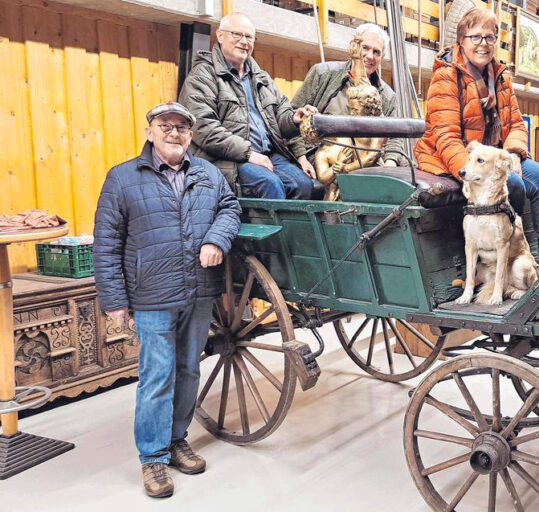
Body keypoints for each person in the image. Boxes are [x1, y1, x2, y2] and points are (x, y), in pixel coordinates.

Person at [93, 102, 241, 497]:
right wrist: (114, 300)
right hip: (152, 294)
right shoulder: (123, 178)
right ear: (150, 131)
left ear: (191, 134)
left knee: (189, 369)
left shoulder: (208, 174)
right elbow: (106, 244)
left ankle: (177, 441)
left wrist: (216, 239)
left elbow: (230, 208)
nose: (174, 133)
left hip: (197, 289)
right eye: (165, 126)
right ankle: (153, 459)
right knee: (158, 377)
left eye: (182, 127)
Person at [414, 8, 539, 268]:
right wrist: (473, 171)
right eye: (475, 37)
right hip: (456, 158)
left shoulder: (500, 76)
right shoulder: (446, 76)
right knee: (514, 185)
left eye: (490, 37)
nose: (483, 44)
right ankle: (505, 261)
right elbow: (446, 138)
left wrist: (515, 153)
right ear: (461, 40)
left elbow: (516, 124)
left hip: (495, 157)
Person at [179, 12, 316, 199]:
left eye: (249, 37)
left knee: (303, 185)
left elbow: (281, 113)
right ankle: (269, 229)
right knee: (269, 184)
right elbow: (204, 128)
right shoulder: (202, 76)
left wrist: (294, 120)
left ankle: (289, 229)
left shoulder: (261, 77)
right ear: (220, 35)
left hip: (267, 154)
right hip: (225, 158)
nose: (244, 41)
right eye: (237, 34)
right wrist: (248, 153)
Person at [291, 23, 402, 168]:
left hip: (365, 158)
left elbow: (395, 136)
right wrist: (301, 157)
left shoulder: (387, 96)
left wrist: (390, 163)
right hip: (322, 153)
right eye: (365, 48)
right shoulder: (322, 73)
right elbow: (292, 116)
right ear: (354, 47)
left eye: (376, 52)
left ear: (382, 57)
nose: (370, 56)